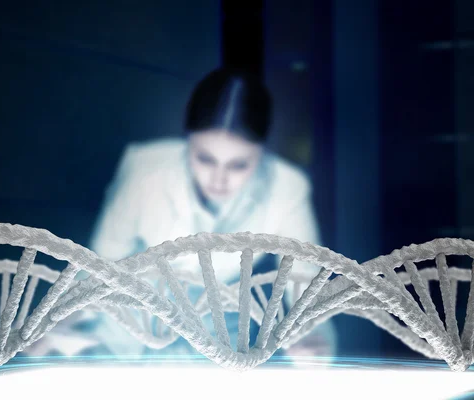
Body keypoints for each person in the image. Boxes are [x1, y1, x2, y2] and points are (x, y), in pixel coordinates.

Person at [84, 67, 338, 361]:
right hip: (136, 310)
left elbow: (306, 281)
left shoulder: (287, 187)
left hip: (221, 314)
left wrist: (313, 339)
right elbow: (101, 262)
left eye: (238, 165)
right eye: (205, 159)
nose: (219, 180)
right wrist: (66, 325)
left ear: (262, 153)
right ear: (187, 142)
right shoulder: (145, 170)